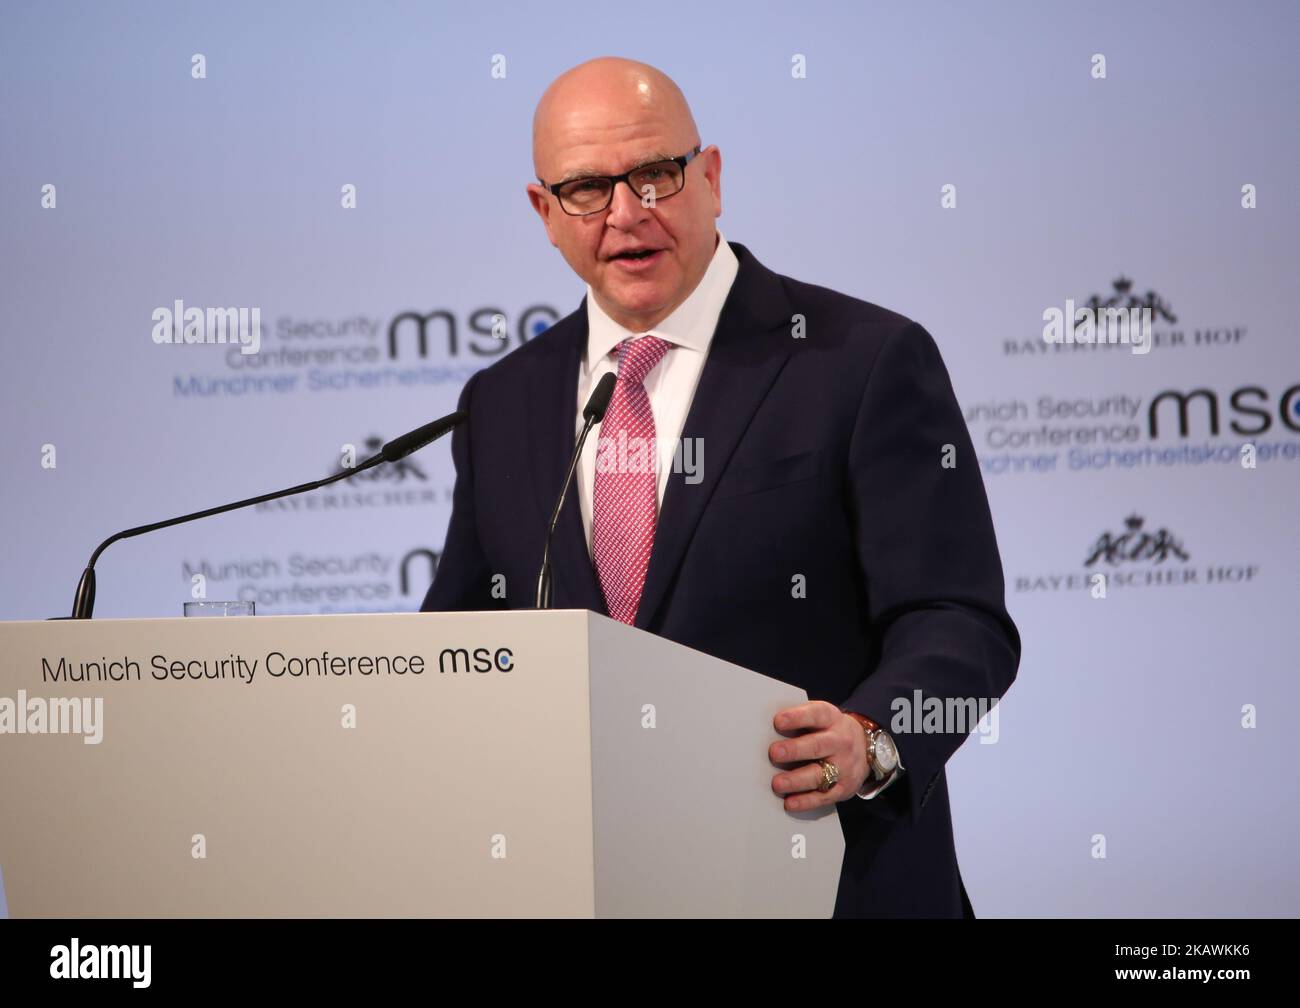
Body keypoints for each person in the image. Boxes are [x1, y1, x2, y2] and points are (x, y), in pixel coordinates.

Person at [422, 56, 1020, 918]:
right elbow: (463, 646)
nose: (628, 214)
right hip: (592, 888)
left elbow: (961, 622)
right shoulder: (503, 400)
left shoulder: (861, 360)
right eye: (587, 189)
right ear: (543, 213)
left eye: (655, 175)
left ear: (710, 177)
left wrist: (876, 740)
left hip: (829, 881)